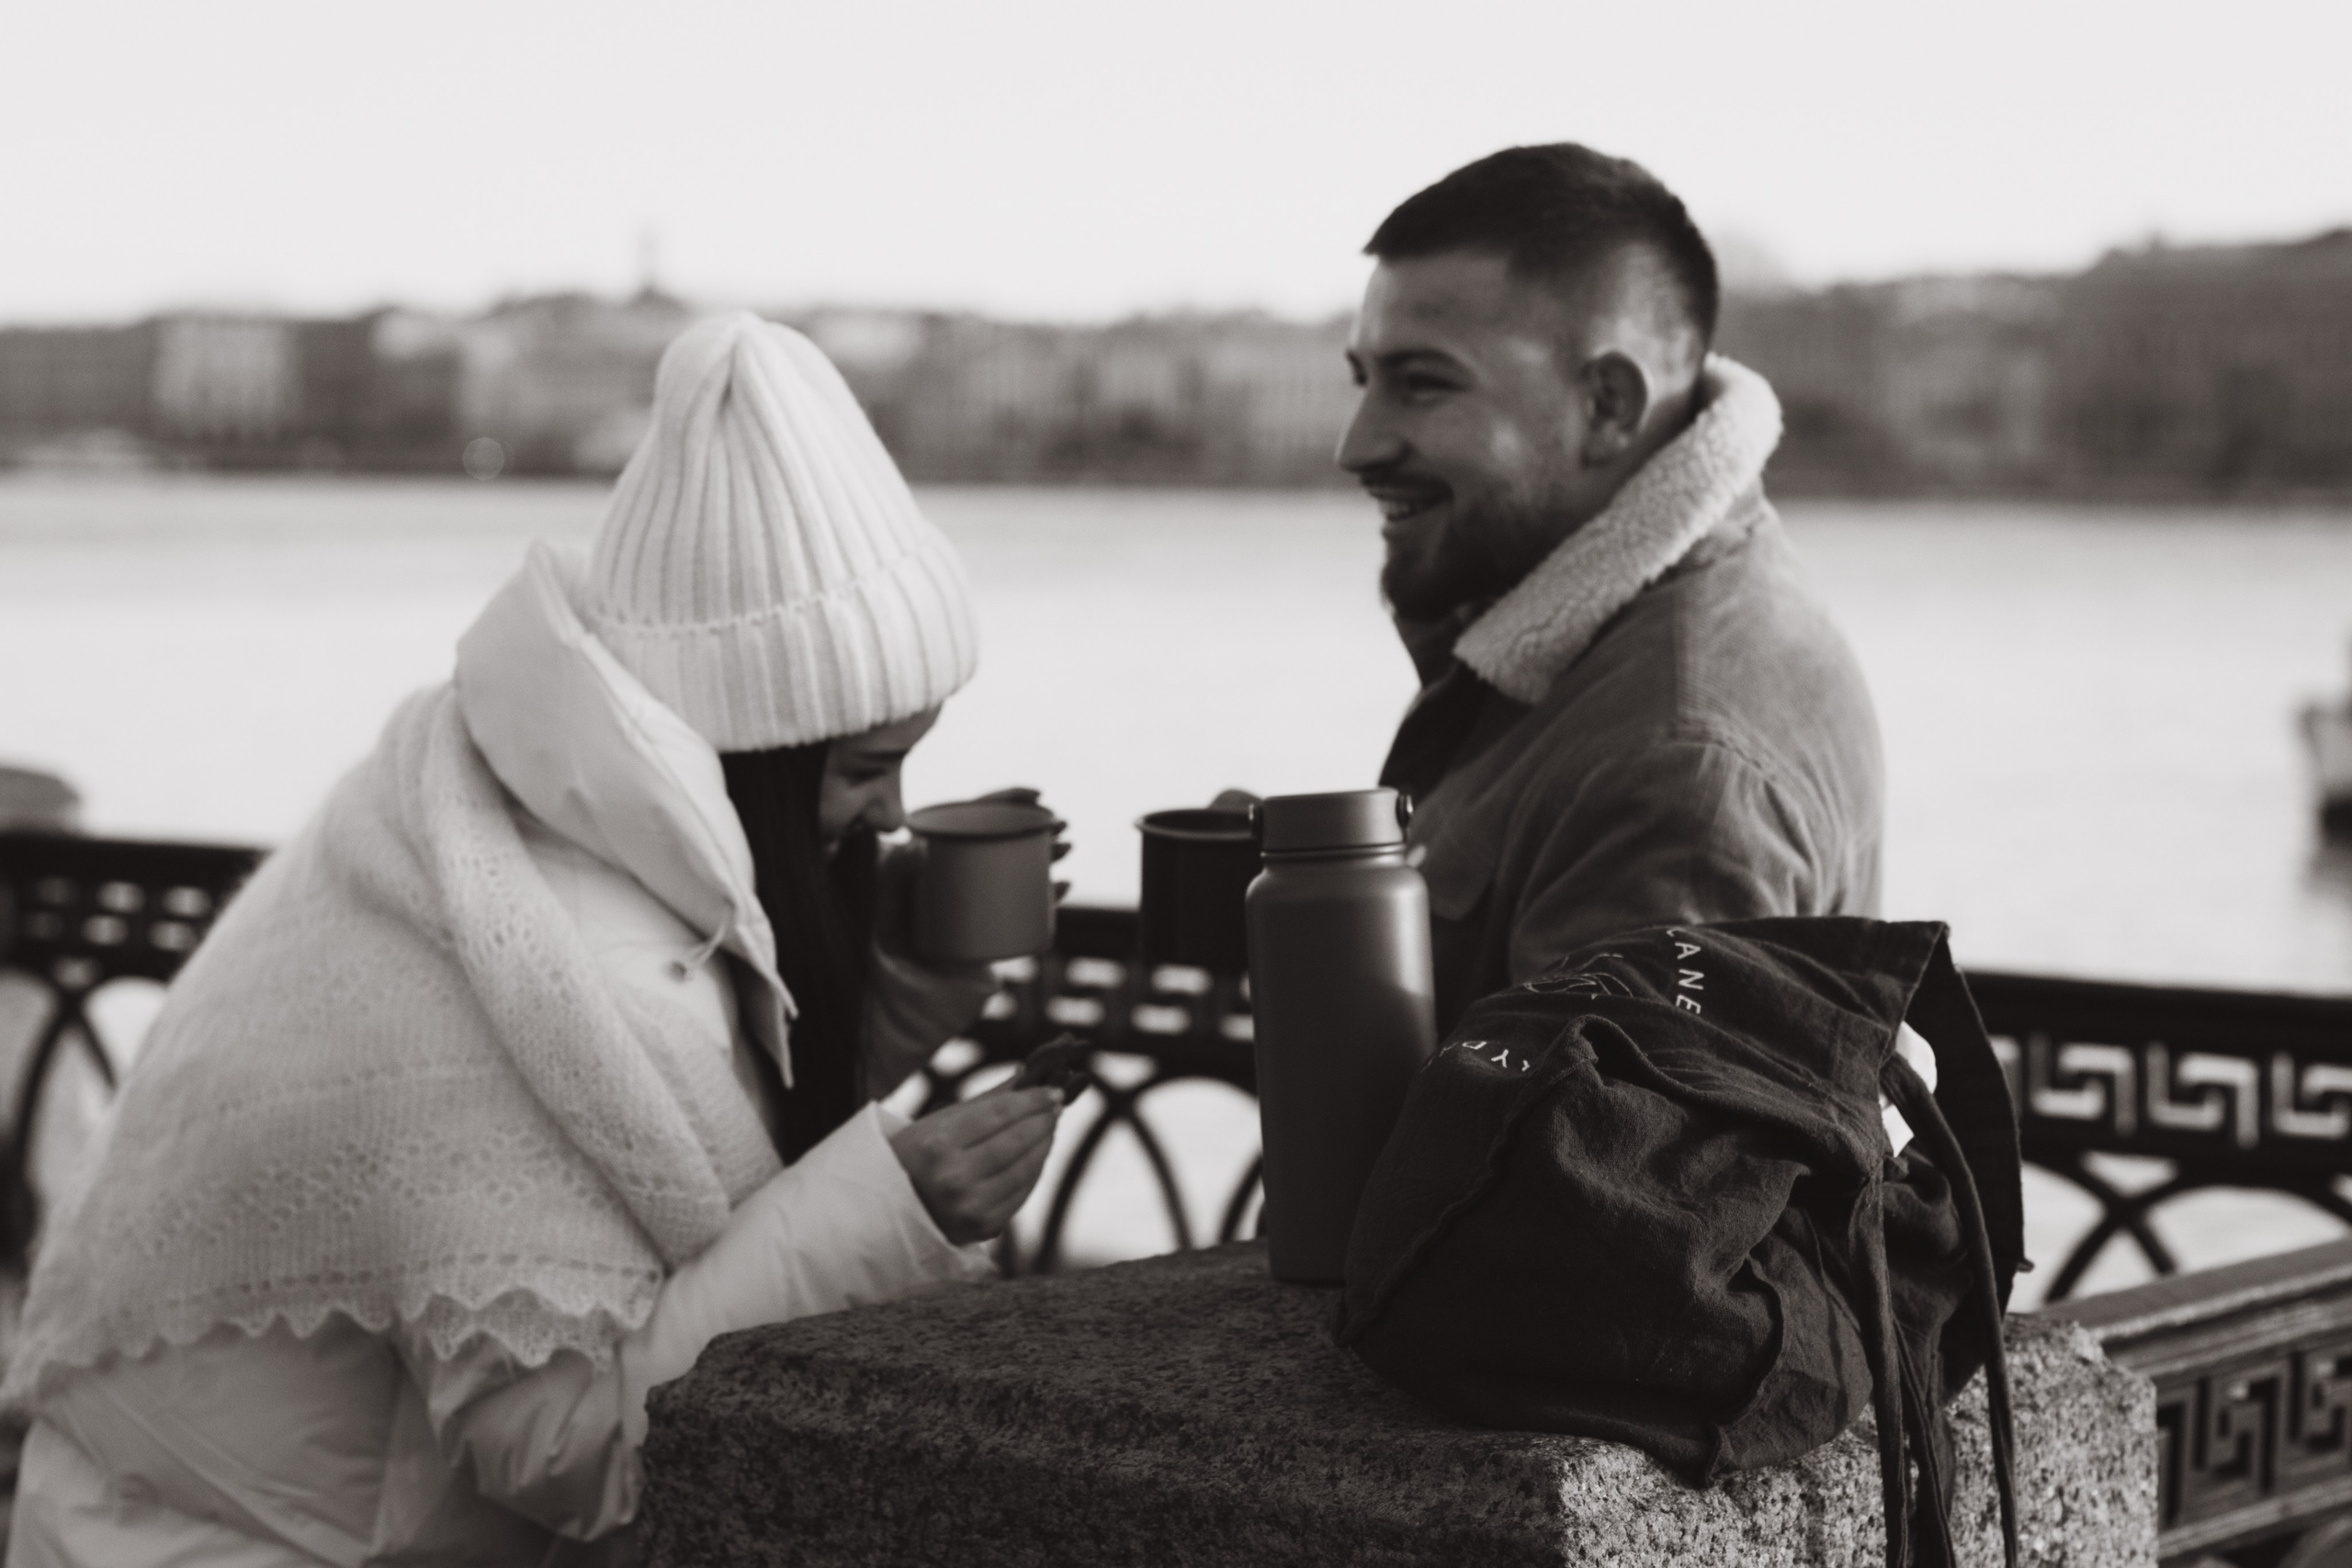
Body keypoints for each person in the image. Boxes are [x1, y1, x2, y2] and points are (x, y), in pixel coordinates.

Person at [6, 312, 1065, 1565]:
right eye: (868, 769)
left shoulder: (506, 811)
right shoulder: (551, 952)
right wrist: (894, 1211)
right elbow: (565, 1449)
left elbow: (662, 1176)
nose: (890, 812)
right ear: (759, 754)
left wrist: (876, 1005)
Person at [1343, 144, 1883, 1033]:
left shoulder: (1674, 770)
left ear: (1609, 406)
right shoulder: (1593, 646)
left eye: (1421, 384)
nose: (1355, 444)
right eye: (1363, 380)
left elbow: (1590, 1171)